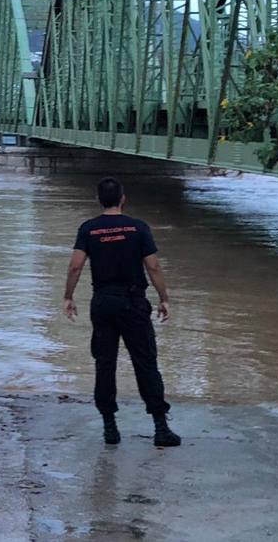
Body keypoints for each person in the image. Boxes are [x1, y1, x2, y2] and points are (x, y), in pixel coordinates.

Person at [63, 176, 180, 447]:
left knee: (105, 363)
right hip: (133, 302)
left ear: (98, 200)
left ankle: (110, 428)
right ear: (123, 199)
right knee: (146, 363)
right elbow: (153, 267)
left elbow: (75, 266)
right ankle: (161, 429)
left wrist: (68, 296)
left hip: (103, 302)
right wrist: (164, 298)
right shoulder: (138, 227)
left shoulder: (89, 229)